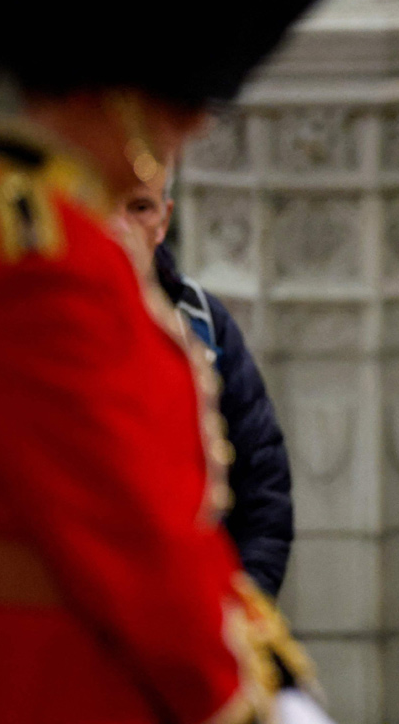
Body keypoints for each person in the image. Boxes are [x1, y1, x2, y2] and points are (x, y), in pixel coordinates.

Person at [0, 0, 382, 722]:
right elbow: (133, 542)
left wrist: (274, 672)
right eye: (181, 95)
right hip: (66, 684)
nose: (198, 119)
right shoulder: (35, 257)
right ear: (121, 88)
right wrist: (244, 699)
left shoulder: (75, 240)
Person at [120, 176, 293, 598]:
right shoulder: (44, 322)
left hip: (197, 608)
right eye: (108, 206)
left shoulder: (202, 319)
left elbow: (263, 487)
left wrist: (242, 614)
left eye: (140, 208)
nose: (121, 227)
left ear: (164, 220)